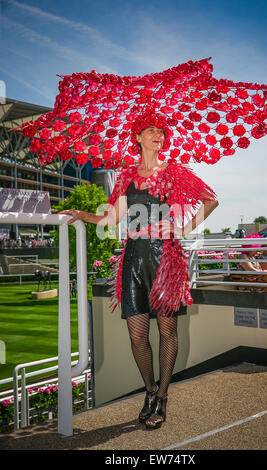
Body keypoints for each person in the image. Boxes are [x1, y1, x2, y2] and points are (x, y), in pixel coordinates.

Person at [60, 116, 218, 429]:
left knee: (167, 332)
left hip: (165, 259)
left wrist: (183, 226)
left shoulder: (173, 171)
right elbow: (110, 219)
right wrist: (79, 214)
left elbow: (210, 200)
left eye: (161, 131)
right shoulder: (126, 176)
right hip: (132, 259)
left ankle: (162, 396)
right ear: (139, 136)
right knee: (137, 334)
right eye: (151, 131)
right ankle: (149, 390)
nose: (157, 135)